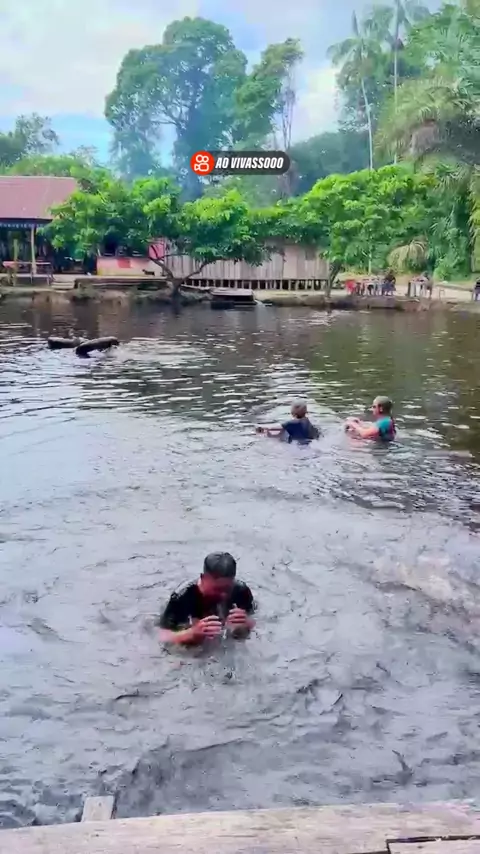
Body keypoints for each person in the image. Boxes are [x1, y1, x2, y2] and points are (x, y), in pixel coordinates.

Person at [158, 552, 255, 646]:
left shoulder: (241, 591)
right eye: (217, 589)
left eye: (227, 589)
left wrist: (247, 623)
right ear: (203, 578)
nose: (223, 595)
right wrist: (191, 633)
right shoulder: (182, 597)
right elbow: (162, 636)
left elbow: (255, 620)